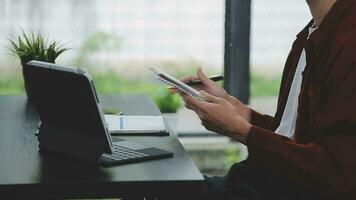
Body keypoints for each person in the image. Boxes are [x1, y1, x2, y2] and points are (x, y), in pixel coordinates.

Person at [179, 0, 356, 199]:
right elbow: (292, 135)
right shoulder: (314, 33)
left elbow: (338, 175)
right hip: (258, 181)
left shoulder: (348, 44)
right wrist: (237, 109)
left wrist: (241, 130)